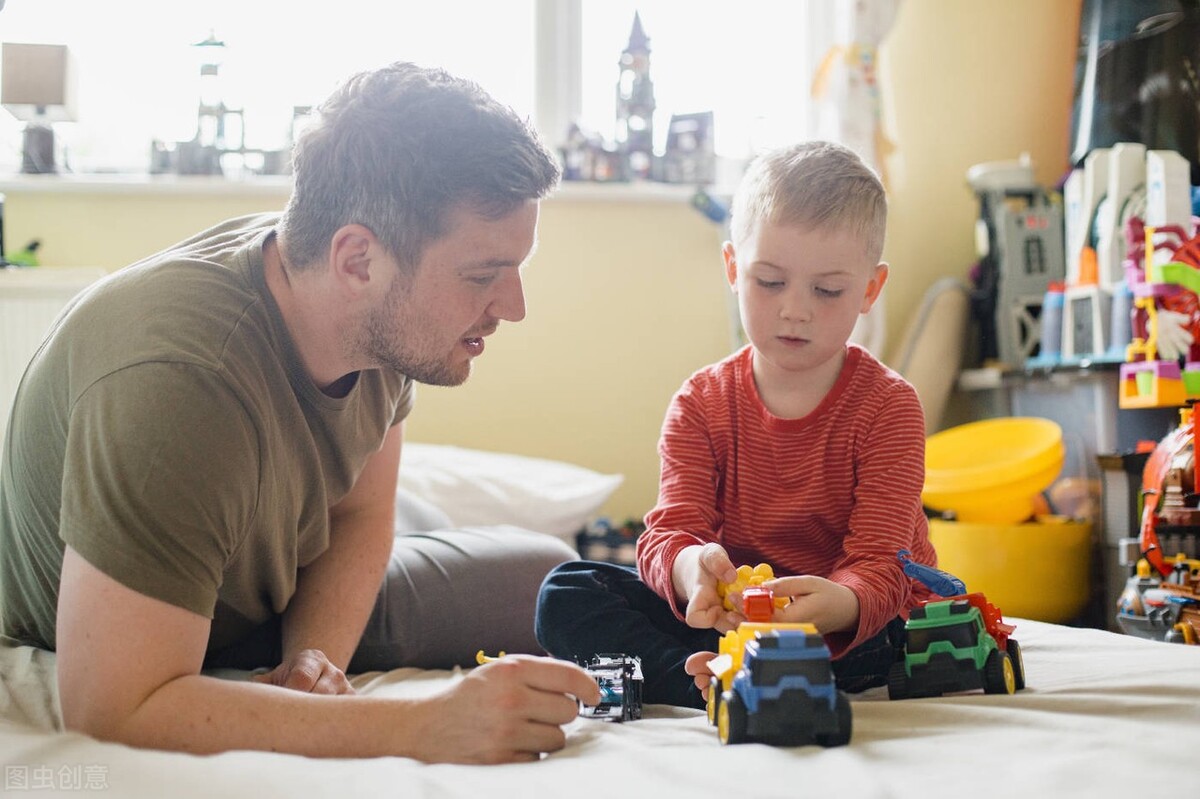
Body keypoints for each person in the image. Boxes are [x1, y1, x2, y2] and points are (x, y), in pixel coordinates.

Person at [0, 62, 600, 763]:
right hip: (144, 618)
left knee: (548, 578)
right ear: (357, 260)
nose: (514, 307)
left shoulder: (366, 313)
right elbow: (113, 704)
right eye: (481, 275)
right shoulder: (179, 379)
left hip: (271, 596)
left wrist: (313, 662)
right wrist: (419, 726)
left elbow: (359, 513)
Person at [535, 140, 938, 708]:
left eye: (827, 290)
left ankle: (742, 678)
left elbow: (883, 564)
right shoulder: (700, 402)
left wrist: (839, 603)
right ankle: (700, 680)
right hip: (736, 620)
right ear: (732, 268)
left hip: (848, 624)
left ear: (870, 289)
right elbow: (671, 532)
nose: (794, 309)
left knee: (898, 629)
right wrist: (691, 568)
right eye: (769, 282)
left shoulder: (889, 405)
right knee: (568, 591)